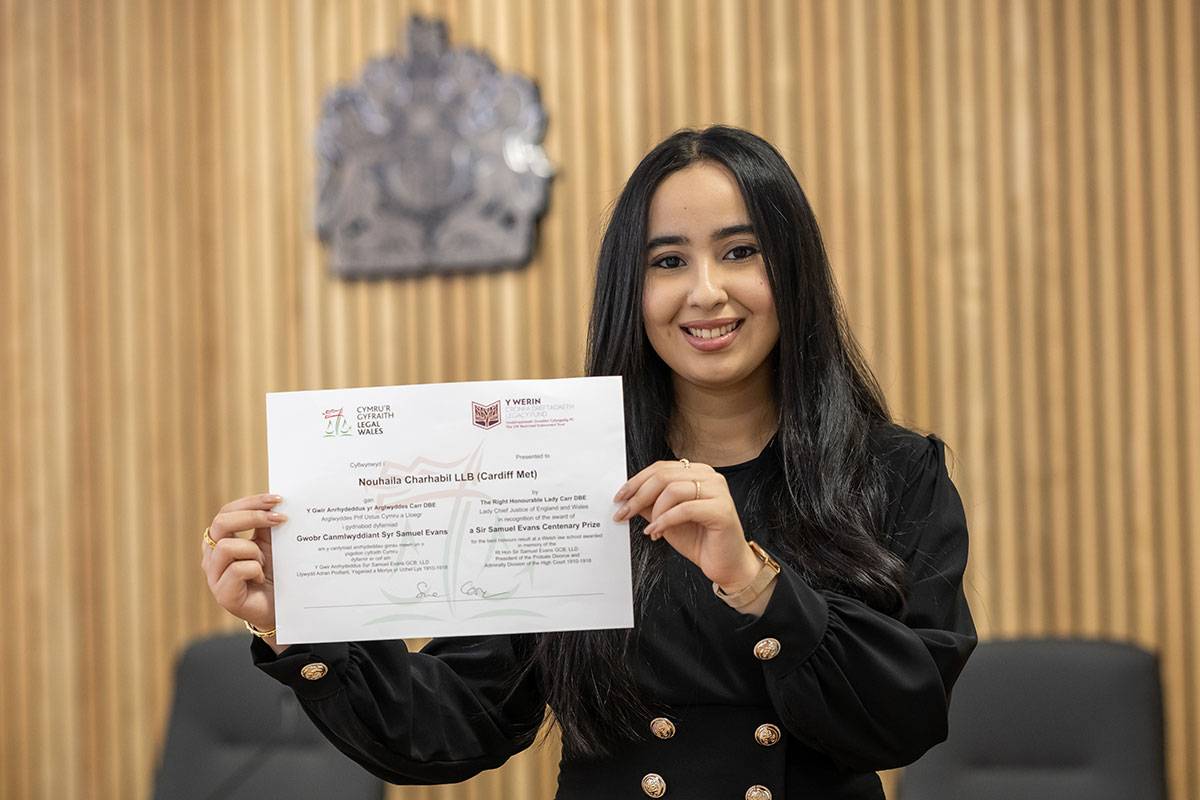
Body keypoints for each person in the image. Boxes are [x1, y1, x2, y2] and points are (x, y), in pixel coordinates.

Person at [201, 125, 976, 799]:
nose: (706, 292)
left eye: (741, 252)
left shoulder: (892, 473)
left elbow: (904, 719)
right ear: (628, 291)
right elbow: (455, 723)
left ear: (793, 271)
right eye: (667, 262)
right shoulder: (568, 476)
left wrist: (757, 585)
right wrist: (298, 623)